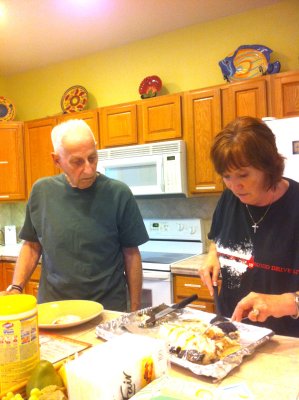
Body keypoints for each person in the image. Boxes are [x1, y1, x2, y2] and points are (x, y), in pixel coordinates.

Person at [1, 119, 149, 312]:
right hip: (54, 308)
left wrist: (135, 310)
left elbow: (131, 254)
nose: (88, 169)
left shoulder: (118, 194)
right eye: (77, 162)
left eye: (92, 158)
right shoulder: (42, 191)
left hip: (106, 310)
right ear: (56, 160)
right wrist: (16, 287)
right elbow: (31, 245)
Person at [199, 116, 299, 337]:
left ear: (269, 166)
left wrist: (281, 302)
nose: (235, 186)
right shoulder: (229, 199)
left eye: (243, 175)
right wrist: (213, 255)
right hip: (233, 336)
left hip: (285, 344)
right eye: (226, 176)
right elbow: (217, 239)